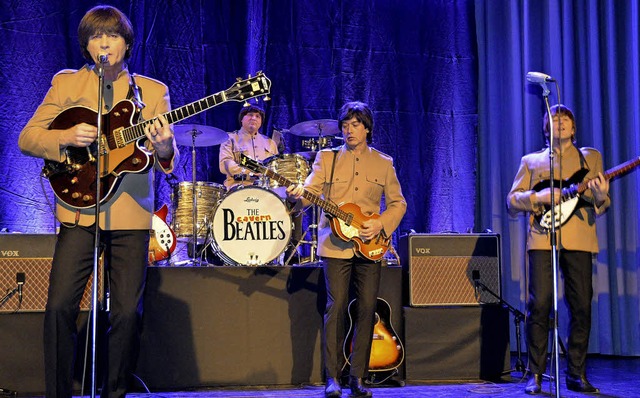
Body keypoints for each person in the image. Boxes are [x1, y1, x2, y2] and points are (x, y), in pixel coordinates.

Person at [18, 5, 178, 397]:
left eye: (112, 36)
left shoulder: (152, 91)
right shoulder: (67, 84)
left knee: (126, 313)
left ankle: (115, 391)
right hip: (78, 211)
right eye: (95, 36)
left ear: (127, 43)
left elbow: (166, 158)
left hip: (131, 214)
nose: (104, 42)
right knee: (58, 309)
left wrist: (165, 145)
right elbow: (27, 139)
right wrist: (66, 137)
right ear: (87, 46)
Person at [287, 101, 406, 397]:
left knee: (366, 309)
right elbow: (310, 194)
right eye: (345, 125)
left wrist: (380, 224)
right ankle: (333, 378)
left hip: (370, 245)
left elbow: (398, 203)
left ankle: (358, 378)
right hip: (335, 246)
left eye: (355, 125)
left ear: (367, 128)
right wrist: (296, 196)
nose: (349, 130)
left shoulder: (383, 162)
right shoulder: (326, 158)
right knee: (335, 306)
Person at [506, 104, 609, 394]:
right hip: (541, 238)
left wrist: (601, 196)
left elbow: (603, 203)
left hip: (580, 239)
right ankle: (535, 374)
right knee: (538, 306)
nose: (560, 123)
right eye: (554, 119)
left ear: (573, 129)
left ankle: (576, 374)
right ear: (546, 128)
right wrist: (537, 196)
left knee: (582, 307)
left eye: (565, 120)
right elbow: (512, 201)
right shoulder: (531, 161)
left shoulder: (591, 158)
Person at [219, 104, 278, 189]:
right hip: (237, 187)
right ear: (241, 119)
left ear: (261, 122)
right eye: (250, 115)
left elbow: (276, 169)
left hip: (266, 190)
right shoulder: (229, 138)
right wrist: (252, 170)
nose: (253, 118)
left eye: (258, 116)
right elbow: (224, 165)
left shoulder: (271, 143)